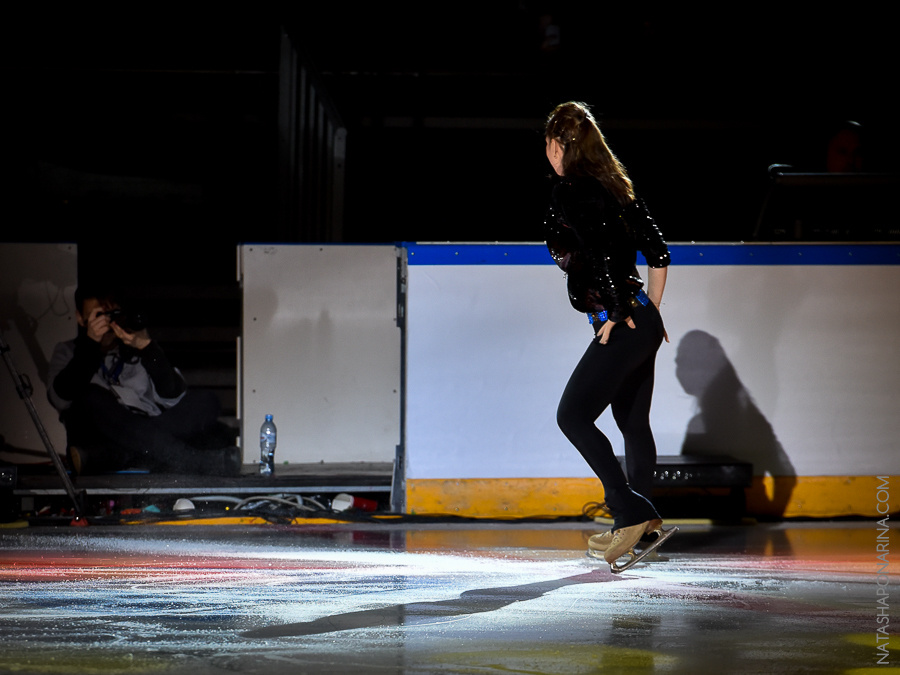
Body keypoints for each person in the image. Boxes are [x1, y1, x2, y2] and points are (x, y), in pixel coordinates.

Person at [543, 101, 676, 571]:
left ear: (559, 145)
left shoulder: (571, 191)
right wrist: (649, 315)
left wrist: (619, 311)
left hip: (622, 320)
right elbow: (658, 252)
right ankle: (635, 525)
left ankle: (631, 510)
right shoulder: (615, 185)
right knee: (632, 423)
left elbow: (600, 255)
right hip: (643, 319)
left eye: (549, 142)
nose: (547, 151)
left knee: (572, 415)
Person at [48, 286, 241, 476]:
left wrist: (147, 348)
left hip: (145, 430)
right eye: (97, 316)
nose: (105, 323)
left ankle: (126, 455)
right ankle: (194, 461)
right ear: (80, 318)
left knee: (207, 402)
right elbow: (60, 398)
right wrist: (90, 345)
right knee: (90, 395)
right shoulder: (67, 351)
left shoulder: (133, 348)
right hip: (100, 433)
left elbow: (173, 396)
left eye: (111, 315)